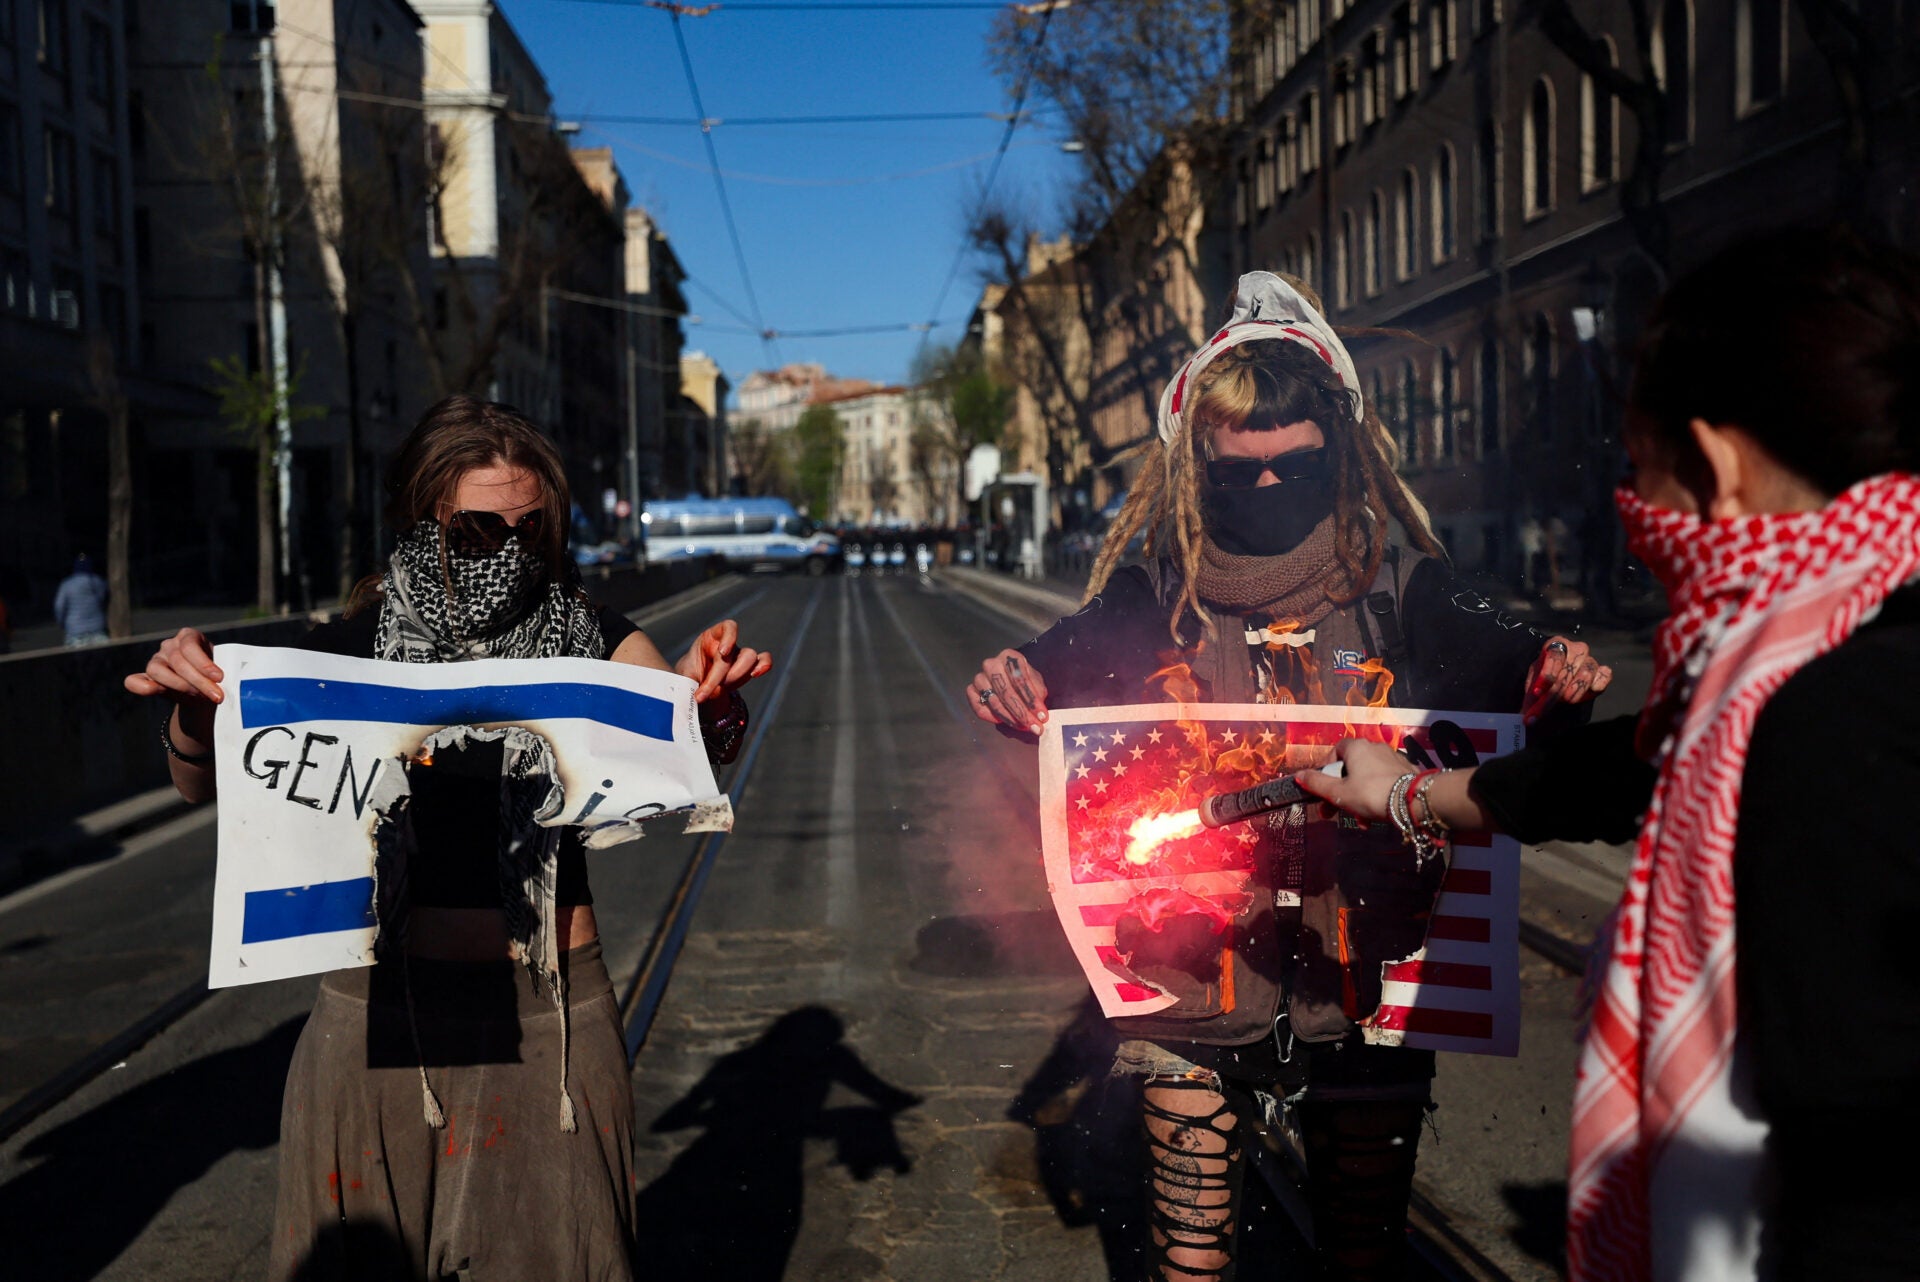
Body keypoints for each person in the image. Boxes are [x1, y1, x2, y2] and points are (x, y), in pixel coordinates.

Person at [1296, 229, 1920, 1282]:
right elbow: (1633, 769)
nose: (1632, 516)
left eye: (1637, 470)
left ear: (1716, 467)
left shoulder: (1834, 717)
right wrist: (1413, 795)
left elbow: (1862, 1167)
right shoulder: (1836, 625)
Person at [967, 272, 1611, 1282]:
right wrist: (1021, 678)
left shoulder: (1401, 586)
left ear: (1338, 451)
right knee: (1190, 1264)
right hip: (1192, 979)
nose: (1268, 490)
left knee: (1364, 1255)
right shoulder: (1157, 593)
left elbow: (1511, 670)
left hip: (1366, 980)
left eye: (1295, 467)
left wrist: (1555, 677)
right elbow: (1060, 662)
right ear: (1197, 468)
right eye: (1239, 474)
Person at [125, 396, 771, 1281]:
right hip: (376, 1024)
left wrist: (709, 702)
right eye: (477, 529)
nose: (508, 549)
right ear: (425, 518)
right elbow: (203, 782)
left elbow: (681, 736)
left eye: (531, 528)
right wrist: (193, 714)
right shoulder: (345, 648)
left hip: (549, 1027)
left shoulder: (594, 639)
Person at [54, 552, 109, 646]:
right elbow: (102, 599)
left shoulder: (67, 584)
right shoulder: (98, 581)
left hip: (75, 632)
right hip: (97, 630)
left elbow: (59, 606)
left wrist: (61, 622)